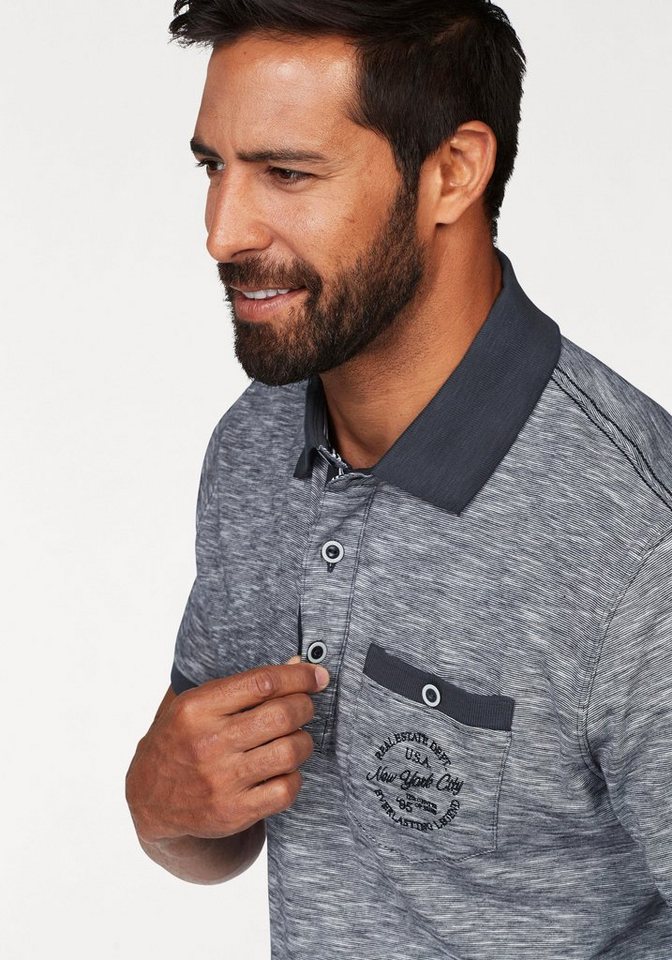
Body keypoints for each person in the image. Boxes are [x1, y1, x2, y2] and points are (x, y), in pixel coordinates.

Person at [125, 2, 672, 957]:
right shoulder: (257, 442)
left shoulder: (637, 549)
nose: (222, 231)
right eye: (215, 167)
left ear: (452, 172)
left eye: (287, 173)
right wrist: (159, 806)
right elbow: (217, 816)